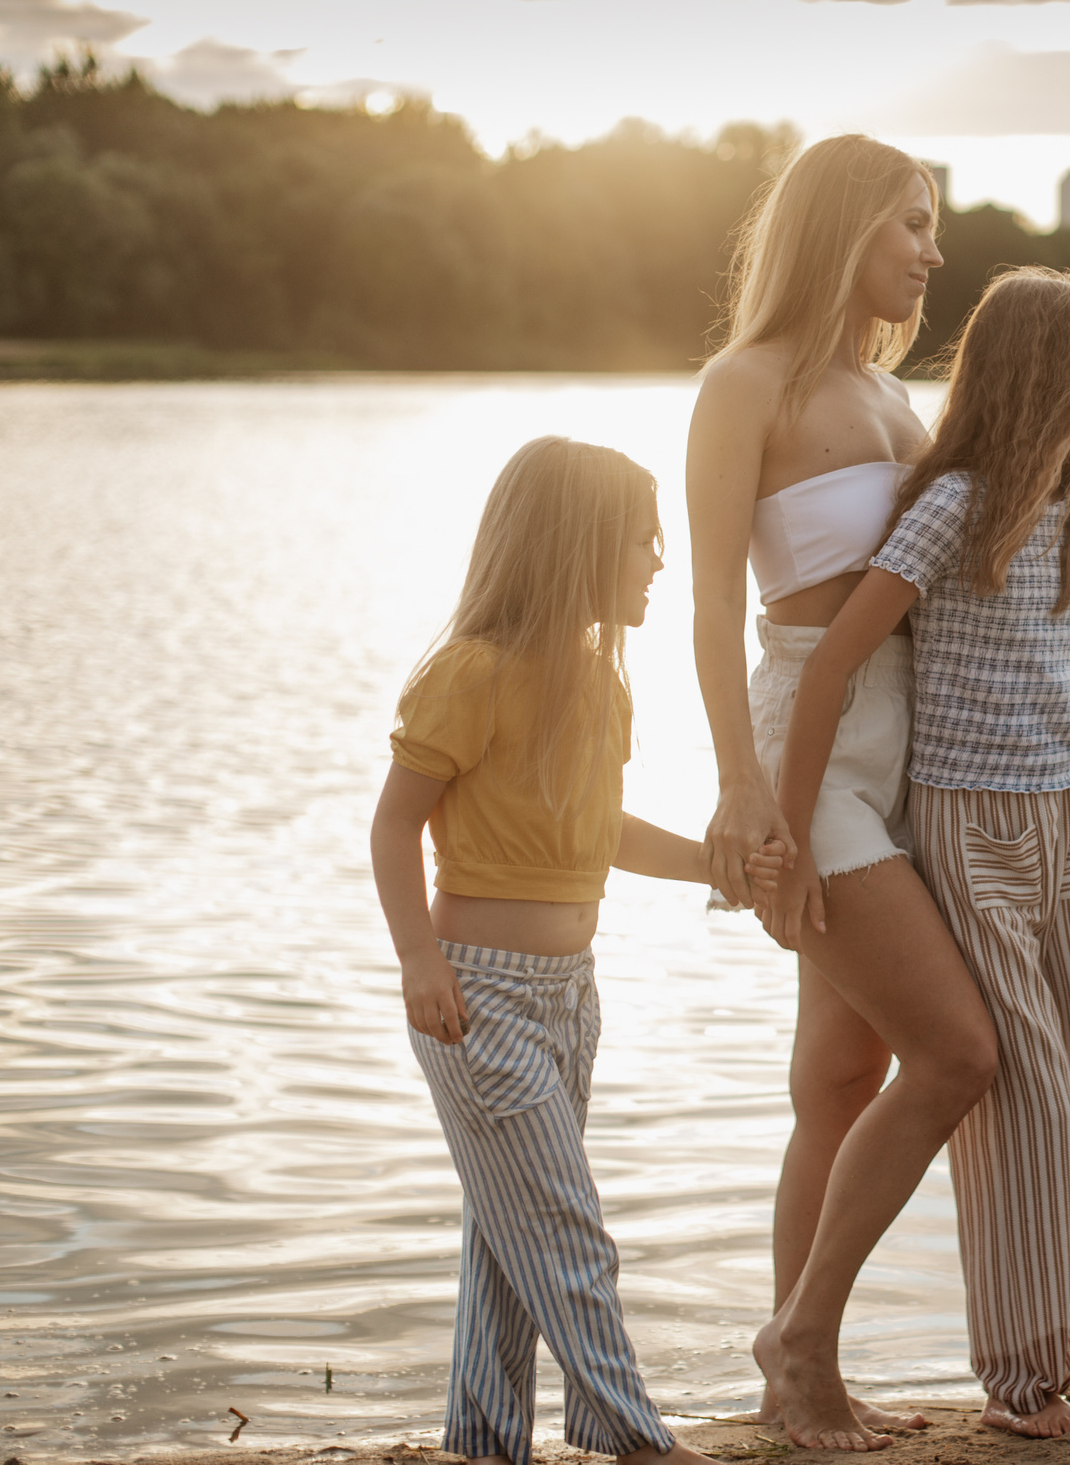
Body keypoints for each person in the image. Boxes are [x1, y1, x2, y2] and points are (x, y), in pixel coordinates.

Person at [772, 266, 1070, 1439]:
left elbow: (1030, 646)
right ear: (1037, 372)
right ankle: (1024, 1378)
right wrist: (788, 834)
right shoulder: (951, 504)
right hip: (971, 826)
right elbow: (834, 662)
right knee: (1026, 1090)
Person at [370, 436, 771, 1465]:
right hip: (477, 1000)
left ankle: (481, 1443)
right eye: (641, 540)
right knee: (565, 1228)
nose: (658, 560)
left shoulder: (599, 683)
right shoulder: (470, 675)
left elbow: (602, 830)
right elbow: (394, 826)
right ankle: (634, 1439)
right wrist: (419, 960)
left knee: (511, 1237)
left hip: (568, 997)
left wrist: (714, 865)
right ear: (578, 545)